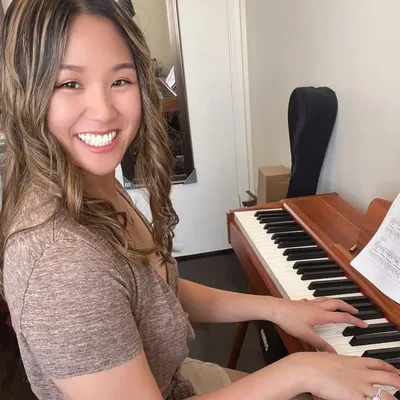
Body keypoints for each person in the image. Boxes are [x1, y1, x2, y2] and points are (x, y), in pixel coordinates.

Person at [0, 1, 398, 399]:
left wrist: (277, 308)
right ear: (26, 91)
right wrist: (301, 371)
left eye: (120, 80)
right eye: (70, 84)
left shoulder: (91, 181)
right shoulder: (60, 263)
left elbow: (158, 289)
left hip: (171, 378)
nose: (104, 112)